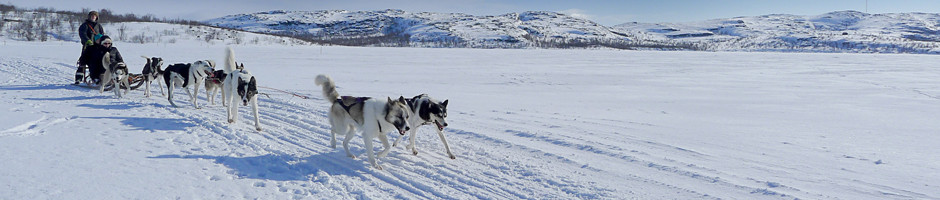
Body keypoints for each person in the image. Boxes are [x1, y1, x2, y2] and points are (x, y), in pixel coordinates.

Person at [75, 11, 105, 84]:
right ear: (89, 17)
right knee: (83, 61)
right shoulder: (85, 25)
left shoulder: (99, 26)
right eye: (92, 16)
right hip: (87, 47)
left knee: (97, 62)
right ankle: (78, 78)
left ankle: (98, 77)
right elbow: (82, 34)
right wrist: (87, 41)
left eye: (95, 16)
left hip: (97, 47)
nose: (93, 17)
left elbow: (102, 35)